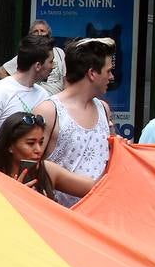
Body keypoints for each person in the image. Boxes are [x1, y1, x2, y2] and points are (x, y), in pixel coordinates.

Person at [33, 37, 117, 207]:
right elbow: (30, 166)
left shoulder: (104, 109)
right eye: (108, 71)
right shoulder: (49, 110)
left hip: (99, 214)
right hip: (60, 220)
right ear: (92, 73)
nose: (112, 77)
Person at [0, 32, 53, 161]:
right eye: (51, 61)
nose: (53, 66)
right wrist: (3, 169)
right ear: (38, 66)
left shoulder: (43, 94)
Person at [0, 111, 93, 201]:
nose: (39, 150)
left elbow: (97, 189)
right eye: (30, 143)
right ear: (10, 146)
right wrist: (15, 197)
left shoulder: (47, 169)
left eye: (41, 142)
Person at [0, 20, 66, 95]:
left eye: (42, 31)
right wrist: (17, 91)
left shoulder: (59, 52)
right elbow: (0, 72)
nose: (39, 34)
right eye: (35, 31)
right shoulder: (28, 54)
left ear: (49, 34)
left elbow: (65, 77)